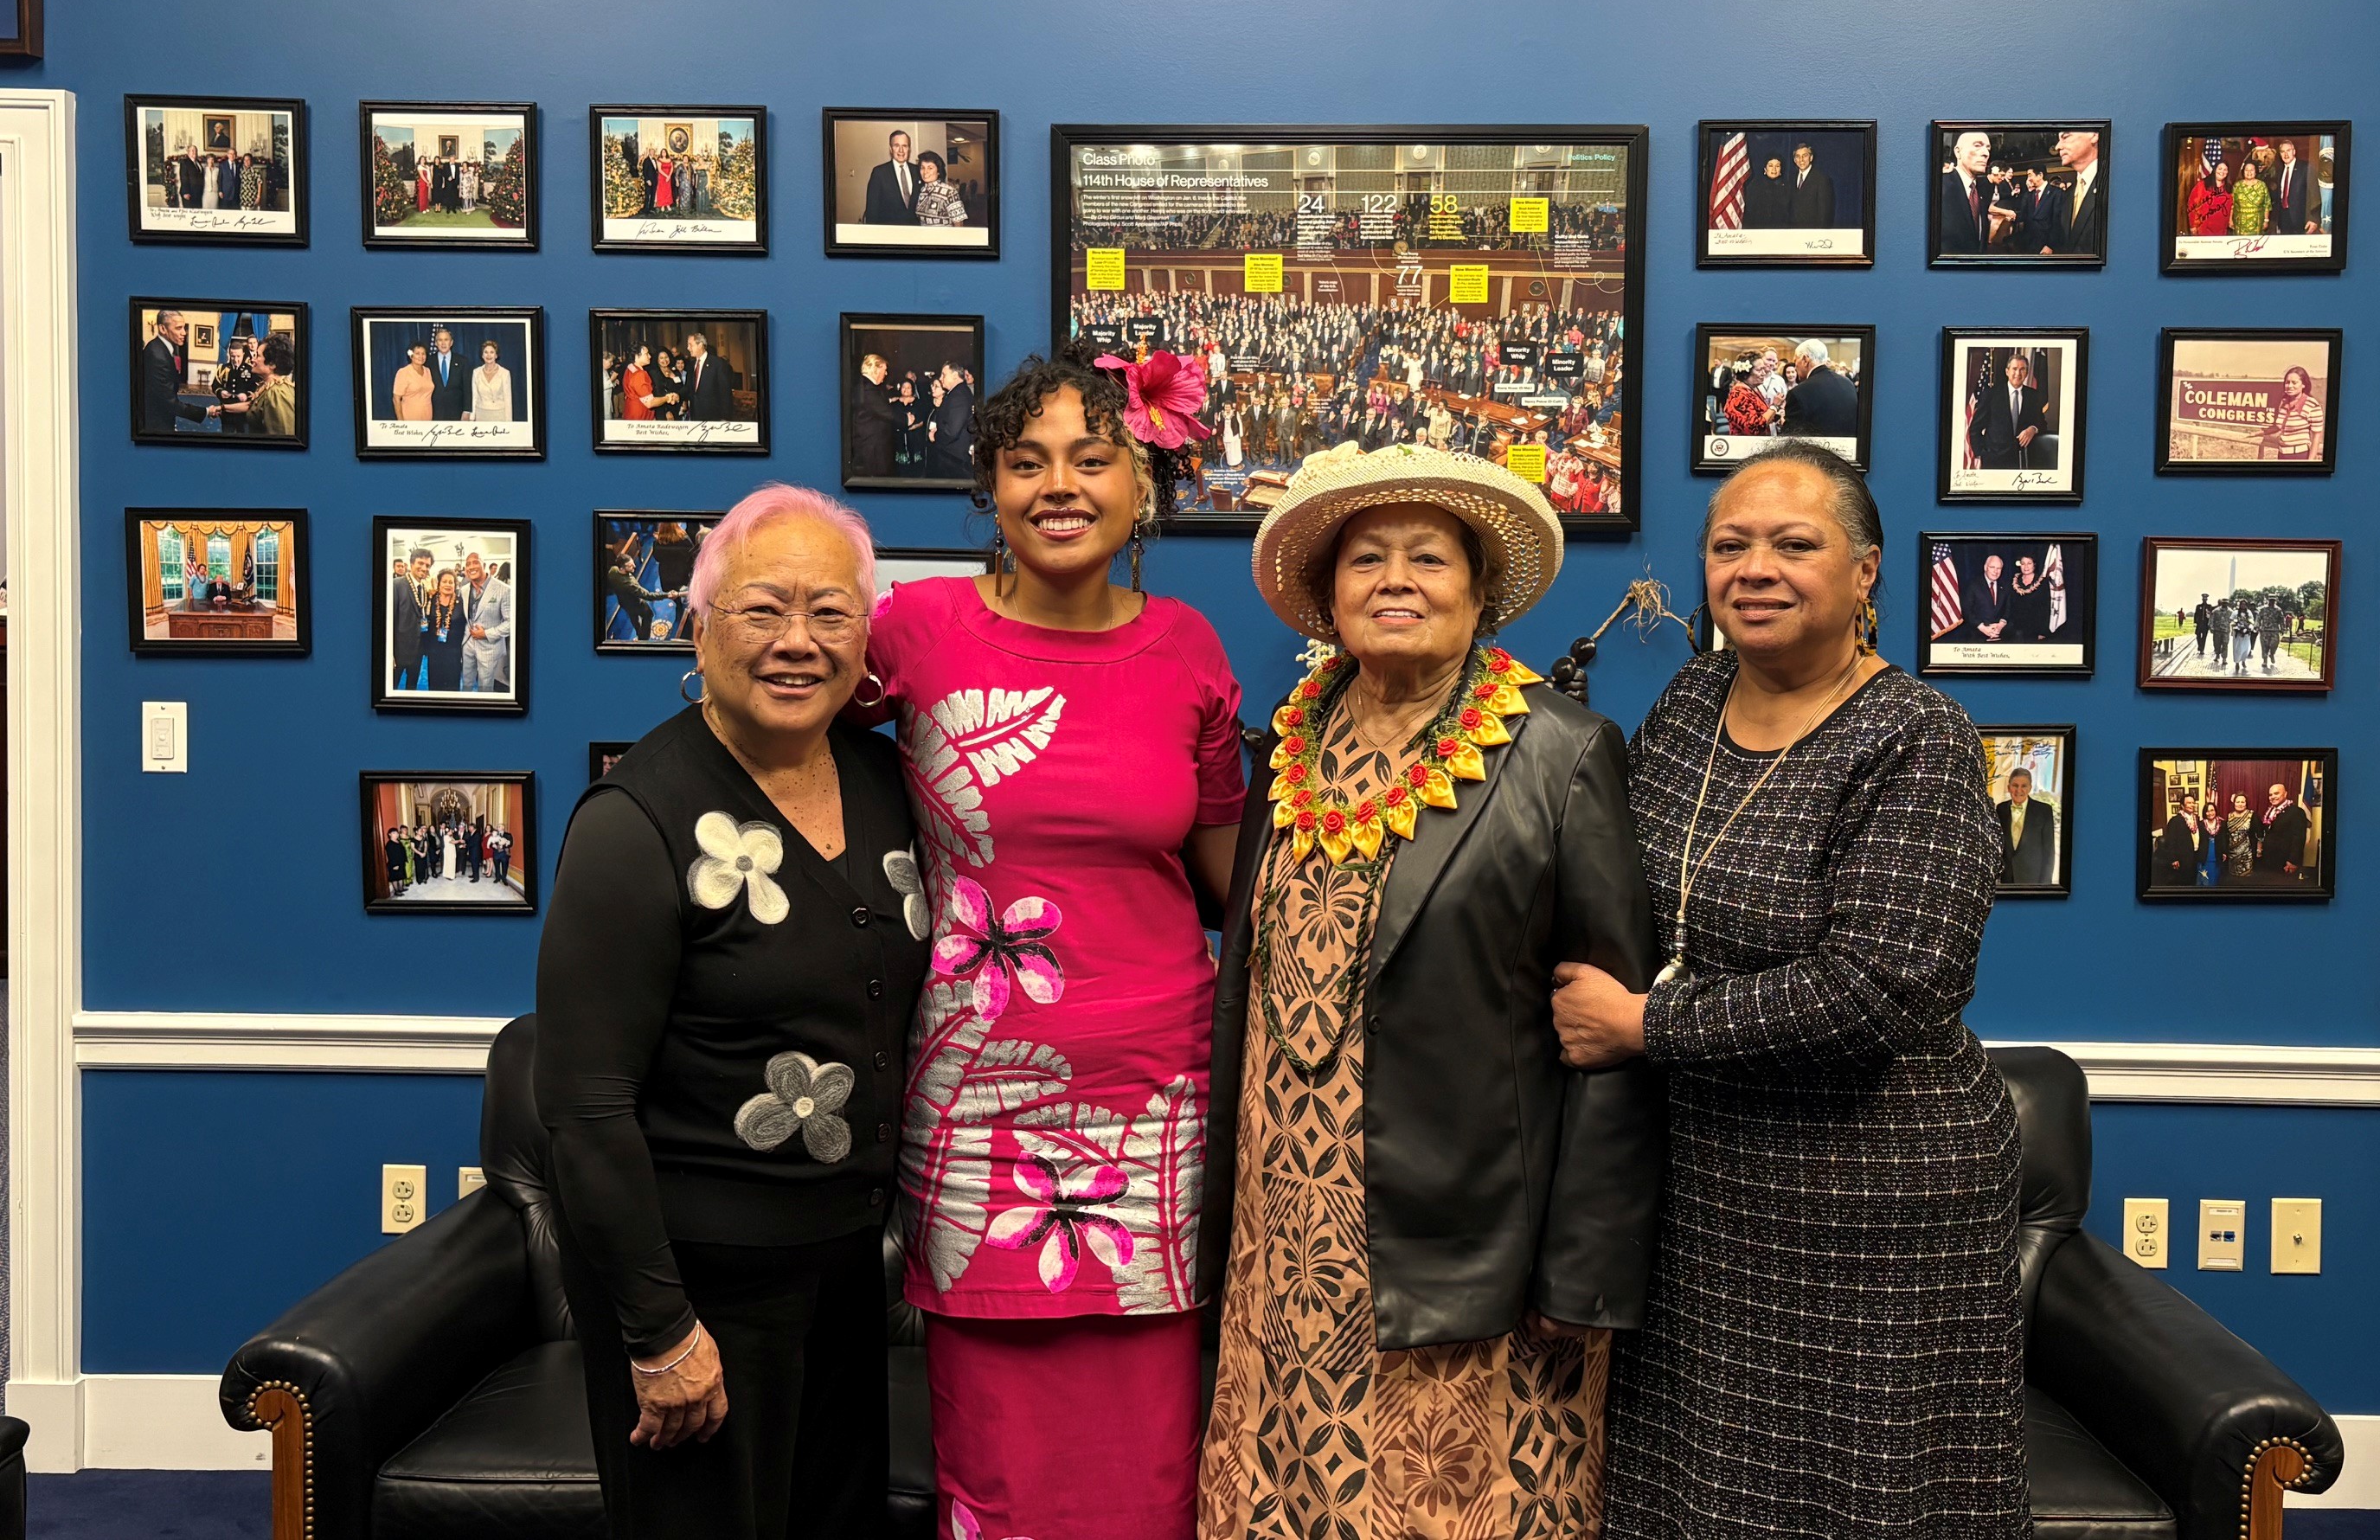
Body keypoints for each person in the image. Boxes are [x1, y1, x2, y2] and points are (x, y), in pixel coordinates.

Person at [1550, 441, 2026, 1537]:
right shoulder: (1694, 697)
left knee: (1860, 1498)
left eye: (1793, 544)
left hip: (1872, 1200)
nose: (1754, 568)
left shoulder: (1918, 737)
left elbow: (1885, 989)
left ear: (1864, 574)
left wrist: (1643, 1025)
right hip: (1705, 1186)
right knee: (1693, 1489)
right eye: (1730, 545)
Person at [1195, 440, 1662, 1540]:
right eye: (1365, 561)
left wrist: (1579, 1276)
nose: (1394, 581)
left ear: (1481, 592)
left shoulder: (1564, 753)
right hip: (1285, 1243)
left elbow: (1611, 1031)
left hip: (1467, 1256)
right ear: (1326, 596)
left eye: (1427, 560)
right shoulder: (1289, 749)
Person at [870, 343, 1243, 1540]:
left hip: (1156, 1102)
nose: (1059, 484)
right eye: (1026, 461)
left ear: (1146, 484)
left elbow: (1236, 881)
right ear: (991, 485)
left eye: (1094, 457)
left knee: (1146, 1472)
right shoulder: (912, 633)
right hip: (981, 1109)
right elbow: (776, 728)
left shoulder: (1188, 647)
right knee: (998, 1472)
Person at [535, 484, 928, 1537]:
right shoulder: (636, 821)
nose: (797, 642)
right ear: (699, 627)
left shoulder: (885, 777)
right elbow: (584, 1104)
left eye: (830, 612)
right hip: (700, 1288)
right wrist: (661, 1332)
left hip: (844, 1272)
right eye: (762, 609)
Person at [1966, 352, 2048, 470]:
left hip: (2022, 462)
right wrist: (1981, 454)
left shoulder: (2033, 396)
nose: (2018, 374)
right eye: (2014, 369)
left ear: (2027, 373)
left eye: (2022, 369)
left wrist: (2033, 429)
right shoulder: (1991, 394)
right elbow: (1975, 428)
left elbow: (2042, 424)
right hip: (1993, 461)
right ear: (2007, 371)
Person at [139, 306, 211, 434]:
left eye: (184, 328)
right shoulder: (157, 355)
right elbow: (168, 402)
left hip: (161, 418)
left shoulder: (161, 349)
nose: (184, 332)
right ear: (162, 329)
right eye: (178, 328)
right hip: (155, 424)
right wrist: (206, 411)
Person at [1938, 129, 2009, 254]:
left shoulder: (1983, 187)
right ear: (1958, 152)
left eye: (1988, 148)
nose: (1986, 153)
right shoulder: (1941, 185)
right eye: (1977, 146)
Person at [2040, 128, 2102, 255]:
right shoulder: (2070, 193)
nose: (2058, 147)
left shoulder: (2114, 185)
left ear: (2094, 135)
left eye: (2066, 137)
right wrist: (2050, 246)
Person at [460, 552, 516, 694]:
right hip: (468, 644)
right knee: (466, 683)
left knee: (485, 688)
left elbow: (511, 623)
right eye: (468, 564)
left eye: (475, 562)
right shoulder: (464, 590)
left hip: (489, 647)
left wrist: (486, 633)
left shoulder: (504, 590)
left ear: (484, 565)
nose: (471, 567)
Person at [1780, 338, 1857, 437]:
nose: (1795, 367)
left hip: (1816, 451)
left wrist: (1784, 423)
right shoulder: (1848, 384)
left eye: (1795, 362)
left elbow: (1790, 439)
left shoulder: (1799, 392)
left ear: (1805, 359)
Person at [1997, 767, 2059, 887]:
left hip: (2033, 881)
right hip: (2006, 880)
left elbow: (2049, 852)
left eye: (2024, 786)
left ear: (2030, 788)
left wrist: (2045, 887)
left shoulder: (2044, 811)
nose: (2019, 790)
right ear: (2009, 787)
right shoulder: (2000, 809)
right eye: (2015, 785)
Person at [850, 352, 901, 476]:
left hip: (870, 444)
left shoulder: (866, 385)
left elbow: (872, 406)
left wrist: (890, 400)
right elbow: (887, 413)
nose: (886, 373)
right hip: (872, 447)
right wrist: (907, 419)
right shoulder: (868, 388)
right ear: (876, 369)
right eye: (885, 369)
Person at [241, 330, 298, 439]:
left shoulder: (277, 393)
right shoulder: (269, 387)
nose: (253, 360)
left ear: (272, 364)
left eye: (257, 356)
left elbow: (282, 442)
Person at [391, 549, 434, 690]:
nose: (424, 568)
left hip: (418, 648)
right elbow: (389, 620)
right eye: (420, 563)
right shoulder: (396, 585)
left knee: (412, 688)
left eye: (427, 565)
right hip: (399, 650)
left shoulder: (424, 587)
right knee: (392, 687)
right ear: (410, 564)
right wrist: (389, 653)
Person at [923, 360, 973, 478]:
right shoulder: (955, 393)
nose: (941, 378)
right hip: (951, 455)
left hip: (953, 458)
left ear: (955, 376)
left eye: (944, 375)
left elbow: (952, 431)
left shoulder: (958, 396)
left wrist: (935, 436)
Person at [420, 567, 466, 694]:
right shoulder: (430, 599)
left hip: (454, 652)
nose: (448, 585)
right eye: (444, 581)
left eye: (451, 582)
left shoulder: (461, 601)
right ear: (439, 584)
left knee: (452, 685)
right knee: (435, 684)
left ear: (455, 585)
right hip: (434, 650)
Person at [2256, 783, 2312, 884]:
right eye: (2270, 794)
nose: (2273, 797)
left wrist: (2292, 861)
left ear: (2285, 794)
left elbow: (2299, 838)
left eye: (2276, 793)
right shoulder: (2270, 811)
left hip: (2284, 861)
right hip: (2268, 860)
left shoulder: (2296, 812)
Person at [862, 129, 921, 224]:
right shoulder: (879, 173)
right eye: (896, 146)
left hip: (914, 233)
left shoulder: (918, 171)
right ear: (891, 149)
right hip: (888, 233)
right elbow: (872, 210)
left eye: (904, 146)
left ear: (909, 149)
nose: (901, 150)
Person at [2269, 365, 2325, 462]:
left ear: (2303, 385)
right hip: (2281, 455)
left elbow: (2316, 437)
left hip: (2300, 456)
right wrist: (2258, 433)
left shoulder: (2312, 405)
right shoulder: (2284, 403)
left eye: (2294, 382)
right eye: (2287, 382)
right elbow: (2278, 426)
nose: (2290, 386)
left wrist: (2310, 462)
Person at [2271, 138, 2321, 235]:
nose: (2286, 154)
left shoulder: (2306, 168)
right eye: (2283, 152)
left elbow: (2315, 195)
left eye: (2288, 151)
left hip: (2301, 219)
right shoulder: (2279, 170)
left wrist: (2314, 219)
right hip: (2283, 218)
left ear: (2294, 151)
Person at [685, 330, 738, 421]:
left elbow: (725, 392)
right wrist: (677, 395)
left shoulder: (718, 363)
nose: (688, 348)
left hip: (714, 418)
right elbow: (688, 388)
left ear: (700, 345)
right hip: (695, 417)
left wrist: (725, 417)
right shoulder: (691, 365)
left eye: (690, 345)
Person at [1962, 549, 2009, 641]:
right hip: (1977, 636)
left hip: (2000, 635)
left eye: (1999, 568)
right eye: (1992, 567)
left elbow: (2008, 609)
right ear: (1985, 567)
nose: (1996, 571)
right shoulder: (1972, 584)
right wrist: (1983, 628)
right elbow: (1966, 611)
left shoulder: (2006, 585)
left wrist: (2001, 625)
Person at [912, 151, 968, 226]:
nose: (925, 172)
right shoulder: (921, 191)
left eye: (930, 168)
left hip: (944, 237)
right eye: (922, 168)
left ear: (938, 171)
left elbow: (959, 223)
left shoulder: (949, 192)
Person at [1787, 138, 1834, 226]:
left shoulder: (1822, 179)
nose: (1801, 160)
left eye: (1805, 156)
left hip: (1812, 234)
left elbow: (1824, 214)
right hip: (1793, 233)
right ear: (1794, 160)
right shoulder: (1791, 177)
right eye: (1798, 156)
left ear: (1811, 157)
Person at [2005, 550, 2050, 643]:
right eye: (2023, 563)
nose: (2026, 567)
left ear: (2034, 565)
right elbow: (2009, 605)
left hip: (2035, 629)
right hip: (2015, 628)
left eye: (2029, 563)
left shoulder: (2042, 582)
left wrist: (2042, 631)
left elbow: (2045, 608)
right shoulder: (2014, 581)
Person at [430, 329, 471, 423]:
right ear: (436, 343)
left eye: (446, 340)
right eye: (440, 340)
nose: (443, 343)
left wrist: (467, 410)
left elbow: (467, 388)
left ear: (451, 342)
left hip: (457, 412)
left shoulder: (462, 361)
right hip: (434, 412)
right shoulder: (428, 361)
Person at [469, 339, 514, 423]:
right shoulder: (476, 372)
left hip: (499, 415)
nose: (488, 355)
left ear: (496, 355)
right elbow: (474, 397)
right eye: (486, 352)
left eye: (492, 352)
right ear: (482, 355)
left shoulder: (504, 373)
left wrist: (509, 423)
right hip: (481, 415)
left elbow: (508, 400)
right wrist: (472, 418)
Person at [2187, 157, 2234, 235]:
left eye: (2225, 169)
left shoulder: (2229, 187)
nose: (2222, 172)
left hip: (2222, 230)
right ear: (2215, 170)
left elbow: (2231, 207)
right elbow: (2192, 205)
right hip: (2204, 229)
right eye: (2220, 169)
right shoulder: (2202, 185)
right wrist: (2193, 225)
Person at [392, 342, 436, 422]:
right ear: (411, 356)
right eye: (418, 353)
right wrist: (401, 422)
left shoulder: (428, 371)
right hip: (410, 417)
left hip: (427, 416)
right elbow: (396, 399)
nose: (421, 357)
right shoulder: (403, 372)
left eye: (423, 354)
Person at [1743, 154, 1790, 228]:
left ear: (1781, 169)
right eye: (1771, 166)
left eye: (1777, 166)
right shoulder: (1754, 186)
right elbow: (1749, 215)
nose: (1774, 169)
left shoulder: (1788, 188)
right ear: (1765, 169)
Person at [2230, 157, 2273, 235]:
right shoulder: (2237, 186)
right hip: (2240, 223)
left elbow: (2267, 204)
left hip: (2257, 223)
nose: (2249, 172)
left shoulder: (2262, 185)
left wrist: (2266, 220)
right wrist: (2230, 220)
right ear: (2243, 171)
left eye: (2252, 170)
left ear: (2256, 171)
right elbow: (2232, 204)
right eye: (2246, 170)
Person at [2223, 790, 2256, 881]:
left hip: (2246, 853)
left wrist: (2259, 849)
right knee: (2233, 879)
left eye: (2242, 802)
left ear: (2246, 803)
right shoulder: (2229, 816)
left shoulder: (2252, 815)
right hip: (2232, 854)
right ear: (2234, 803)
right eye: (2238, 802)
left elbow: (2258, 834)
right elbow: (2226, 834)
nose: (2240, 804)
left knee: (2246, 880)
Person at [622, 345, 659, 421]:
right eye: (646, 354)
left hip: (630, 412)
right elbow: (649, 403)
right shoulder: (640, 374)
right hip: (641, 416)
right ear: (636, 356)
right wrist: (667, 398)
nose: (650, 356)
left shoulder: (630, 368)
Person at [2255, 596, 2290, 673]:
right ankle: (2265, 660)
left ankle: (2272, 654)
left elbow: (2282, 620)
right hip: (2264, 631)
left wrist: (2283, 628)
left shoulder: (2278, 610)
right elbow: (2258, 618)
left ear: (2275, 601)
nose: (2272, 602)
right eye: (2270, 600)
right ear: (2268, 600)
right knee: (2264, 646)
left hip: (2274, 631)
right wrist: (2257, 626)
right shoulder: (2263, 609)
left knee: (2274, 645)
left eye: (2273, 600)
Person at [2230, 602, 2257, 676]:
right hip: (2237, 634)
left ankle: (2243, 661)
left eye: (2245, 604)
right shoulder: (2235, 612)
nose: (2243, 606)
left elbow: (2252, 622)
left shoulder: (2249, 612)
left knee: (2245, 648)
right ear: (2240, 605)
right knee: (2237, 648)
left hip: (2246, 634)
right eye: (2242, 604)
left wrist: (2249, 627)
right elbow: (2232, 621)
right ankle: (2237, 662)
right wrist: (2236, 627)